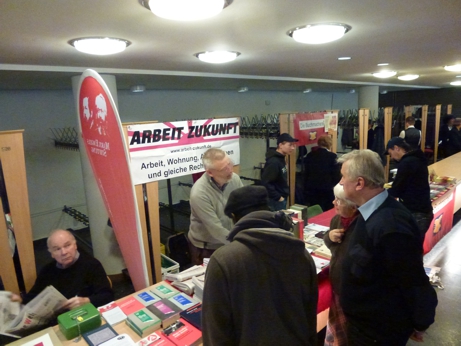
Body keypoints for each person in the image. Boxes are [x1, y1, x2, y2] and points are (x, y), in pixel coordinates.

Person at [337, 149, 437, 345]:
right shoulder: (371, 213)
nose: (340, 182)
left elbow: (412, 281)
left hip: (377, 332)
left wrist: (420, 321)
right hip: (365, 326)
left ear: (359, 183)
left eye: (343, 176)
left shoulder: (391, 226)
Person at [202, 185, 318, 345]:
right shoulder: (301, 254)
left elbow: (216, 333)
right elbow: (310, 317)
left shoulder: (223, 261)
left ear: (234, 218)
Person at [17, 229, 113, 310]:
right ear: (51, 254)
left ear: (75, 245)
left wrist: (87, 300)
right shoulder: (47, 271)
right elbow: (33, 296)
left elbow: (107, 295)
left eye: (67, 245)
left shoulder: (91, 265)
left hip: (85, 314)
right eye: (57, 249)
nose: (64, 252)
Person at [188, 148, 243, 264]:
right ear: (210, 172)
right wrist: (241, 242)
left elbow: (244, 206)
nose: (230, 170)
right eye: (224, 168)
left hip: (230, 240)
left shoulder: (234, 179)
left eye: (229, 163)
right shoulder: (199, 193)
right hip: (207, 248)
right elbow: (215, 229)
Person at [323, 183, 359, 346]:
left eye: (339, 200)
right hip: (338, 284)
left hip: (353, 291)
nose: (333, 203)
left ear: (353, 206)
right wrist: (329, 237)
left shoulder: (361, 224)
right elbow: (332, 247)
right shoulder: (336, 219)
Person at [386, 137, 433, 242]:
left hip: (417, 212)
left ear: (396, 148)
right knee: (416, 246)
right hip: (424, 210)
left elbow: (396, 190)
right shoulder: (417, 158)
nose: (392, 157)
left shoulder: (407, 163)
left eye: (391, 153)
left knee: (410, 247)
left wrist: (379, 194)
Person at [261, 133, 298, 211]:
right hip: (275, 201)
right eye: (290, 145)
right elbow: (266, 182)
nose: (292, 148)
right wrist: (278, 197)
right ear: (281, 145)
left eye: (293, 145)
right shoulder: (273, 162)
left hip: (281, 198)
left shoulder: (281, 158)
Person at [303, 134, 341, 211]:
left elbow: (306, 172)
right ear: (329, 144)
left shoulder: (310, 155)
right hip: (327, 189)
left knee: (315, 210)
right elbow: (336, 175)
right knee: (327, 210)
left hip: (312, 188)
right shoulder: (332, 156)